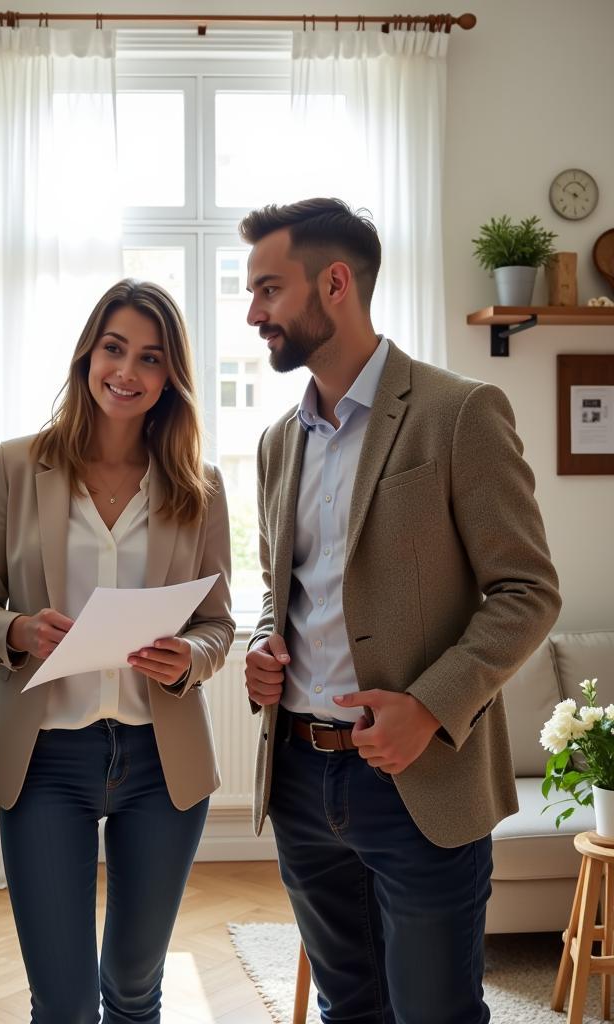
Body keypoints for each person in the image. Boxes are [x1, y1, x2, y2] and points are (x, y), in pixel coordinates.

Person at [240, 198, 561, 1023]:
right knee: (350, 1008)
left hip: (421, 778)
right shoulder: (281, 440)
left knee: (435, 1013)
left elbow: (528, 590)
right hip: (303, 779)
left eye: (269, 289)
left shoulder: (460, 412)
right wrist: (267, 649)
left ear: (335, 283)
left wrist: (428, 707)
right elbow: (290, 587)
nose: (254, 313)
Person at [0, 279, 234, 1023]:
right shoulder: (16, 466)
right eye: (114, 348)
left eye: (150, 358)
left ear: (169, 377)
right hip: (45, 759)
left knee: (137, 989)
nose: (127, 371)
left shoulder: (199, 487)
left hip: (160, 764)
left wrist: (191, 656)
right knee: (65, 1003)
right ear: (88, 354)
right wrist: (16, 631)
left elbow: (218, 624)